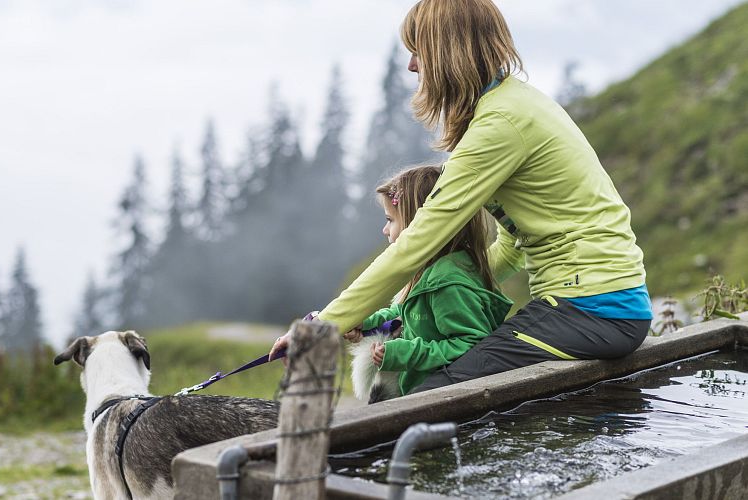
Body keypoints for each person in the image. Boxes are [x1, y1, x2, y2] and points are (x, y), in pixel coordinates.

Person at [271, 0, 652, 392]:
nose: (412, 66)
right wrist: (443, 290)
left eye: (419, 51)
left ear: (446, 53)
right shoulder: (513, 104)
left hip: (592, 308)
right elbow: (513, 244)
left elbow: (417, 243)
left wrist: (323, 327)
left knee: (431, 395)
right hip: (601, 304)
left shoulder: (499, 123)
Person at [344, 165, 512, 398]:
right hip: (426, 395)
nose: (385, 230)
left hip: (447, 400)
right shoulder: (428, 272)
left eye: (390, 220)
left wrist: (406, 352)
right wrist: (368, 322)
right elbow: (405, 311)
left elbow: (472, 345)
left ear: (419, 226)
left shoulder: (448, 284)